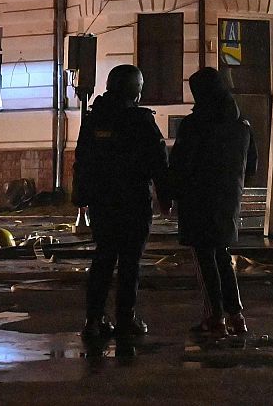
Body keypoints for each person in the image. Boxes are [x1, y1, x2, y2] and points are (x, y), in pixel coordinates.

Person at [72, 64, 169, 339]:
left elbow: (83, 160)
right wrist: (165, 196)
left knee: (103, 258)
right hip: (134, 203)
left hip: (103, 202)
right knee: (130, 262)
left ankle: (94, 319)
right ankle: (125, 318)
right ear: (136, 90)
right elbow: (158, 161)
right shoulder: (140, 121)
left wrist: (81, 197)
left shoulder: (94, 118)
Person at [169, 67, 257, 337]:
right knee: (222, 255)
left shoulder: (195, 124)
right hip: (228, 199)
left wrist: (171, 193)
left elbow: (180, 163)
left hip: (198, 200)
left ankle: (215, 317)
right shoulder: (242, 124)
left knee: (205, 258)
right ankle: (236, 316)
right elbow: (251, 165)